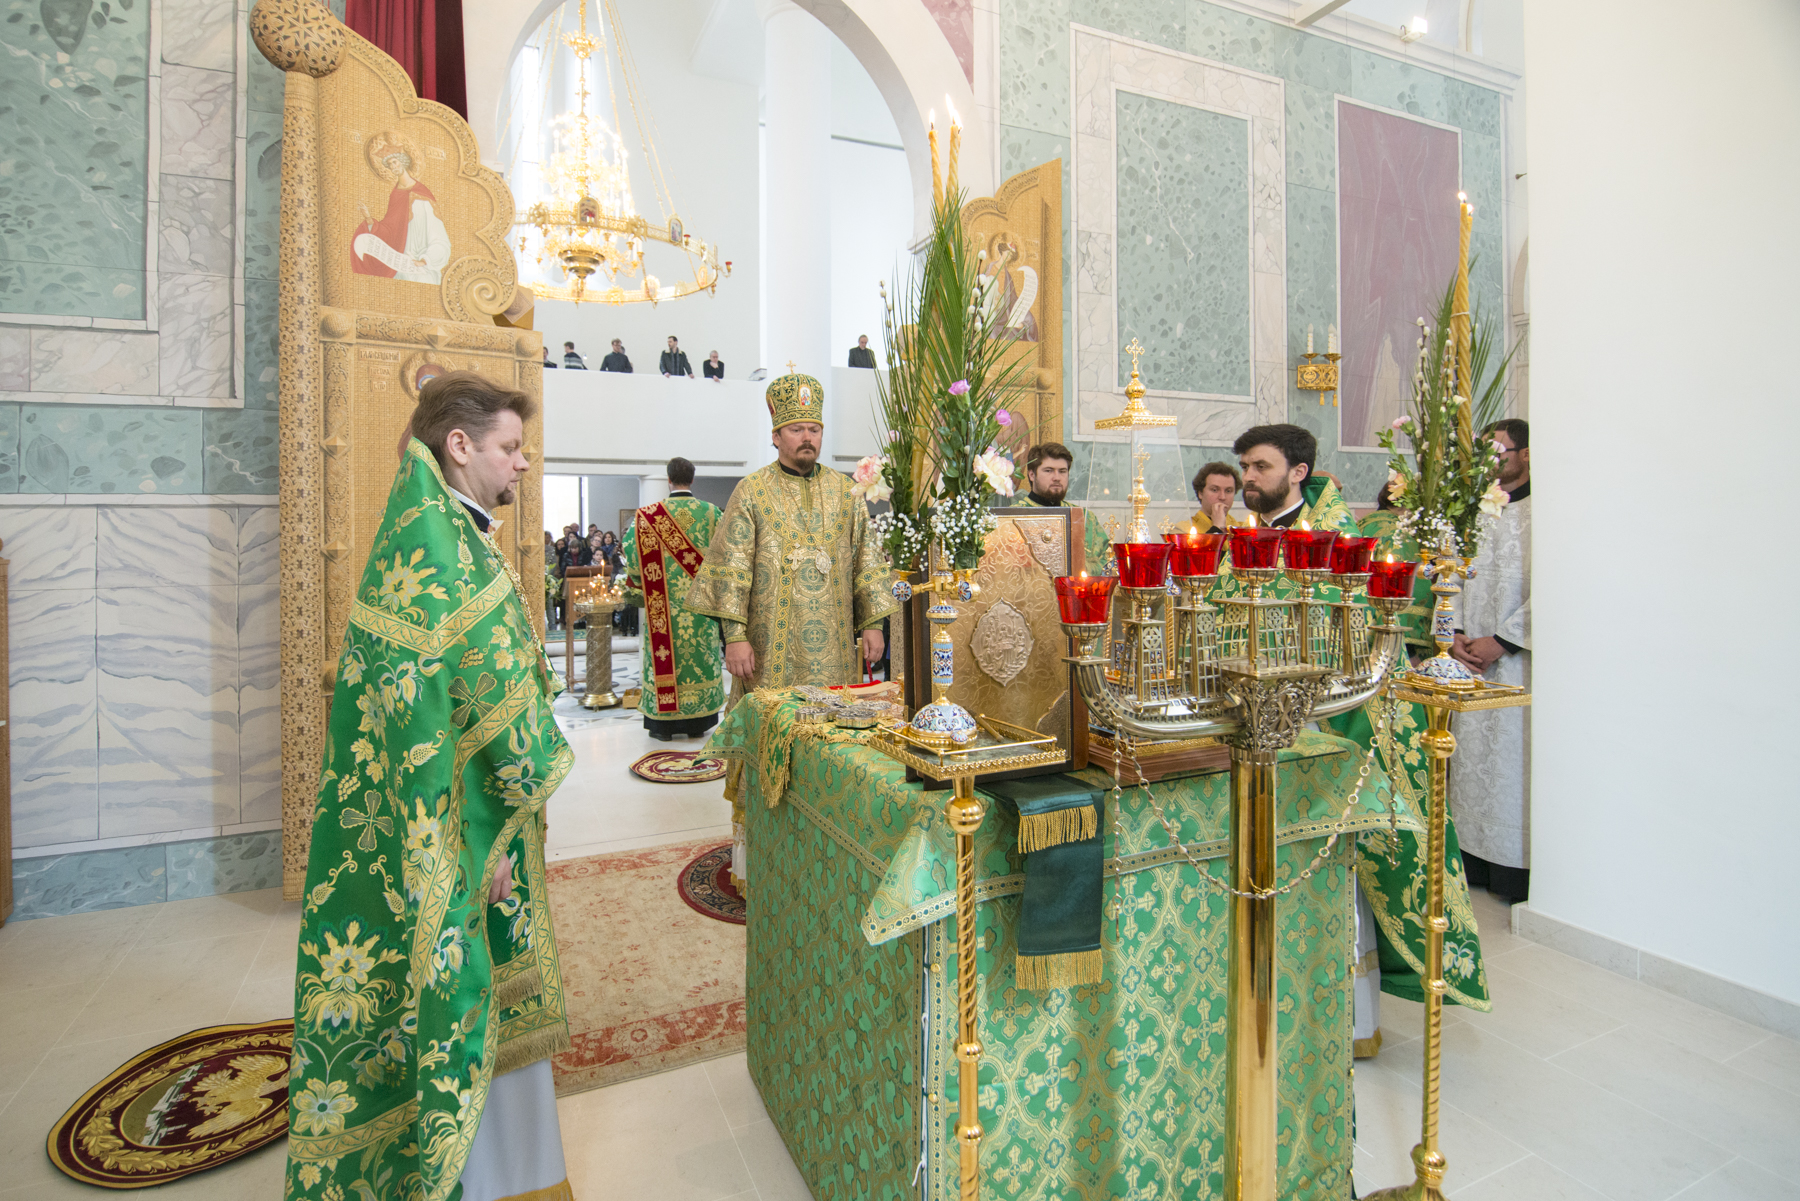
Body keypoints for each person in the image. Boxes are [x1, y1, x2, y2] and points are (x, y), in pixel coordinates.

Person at [287, 371, 573, 1201]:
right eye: (510, 448)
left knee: (482, 996)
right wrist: (474, 839)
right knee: (460, 998)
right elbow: (450, 714)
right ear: (460, 445)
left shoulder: (440, 528)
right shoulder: (439, 540)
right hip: (464, 826)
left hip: (468, 817)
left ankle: (515, 1171)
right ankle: (475, 1179)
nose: (522, 464)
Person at [686, 370, 899, 885]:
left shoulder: (846, 494)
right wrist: (734, 635)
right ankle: (759, 866)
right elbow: (731, 566)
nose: (808, 437)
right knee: (767, 745)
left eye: (815, 428)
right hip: (767, 654)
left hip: (833, 658)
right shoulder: (752, 492)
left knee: (831, 748)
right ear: (777, 434)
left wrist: (874, 622)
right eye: (798, 428)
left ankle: (822, 850)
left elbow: (867, 561)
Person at [1451, 418, 1532, 902]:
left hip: (1516, 663)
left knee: (1511, 769)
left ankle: (1512, 869)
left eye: (1500, 452)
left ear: (1526, 455)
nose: (1491, 463)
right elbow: (1454, 574)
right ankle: (1474, 862)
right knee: (1471, 765)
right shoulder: (1475, 512)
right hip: (1469, 662)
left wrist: (1503, 640)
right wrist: (1456, 632)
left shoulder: (1547, 511)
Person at [621, 457, 726, 741]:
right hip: (700, 612)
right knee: (698, 659)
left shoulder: (646, 517)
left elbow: (632, 563)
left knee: (665, 661)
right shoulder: (711, 514)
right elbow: (726, 559)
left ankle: (664, 726)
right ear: (692, 479)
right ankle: (697, 723)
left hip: (661, 611)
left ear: (669, 479)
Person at [1012, 441, 1115, 575]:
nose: (1057, 478)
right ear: (1032, 475)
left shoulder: (1085, 518)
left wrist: (1077, 567)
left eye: (1062, 471)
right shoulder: (1013, 516)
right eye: (1048, 471)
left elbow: (1108, 564)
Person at [1189, 461, 1241, 532]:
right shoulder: (1183, 530)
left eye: (1228, 491)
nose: (1222, 497)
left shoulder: (1241, 528)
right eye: (1214, 490)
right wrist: (1218, 526)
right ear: (1200, 493)